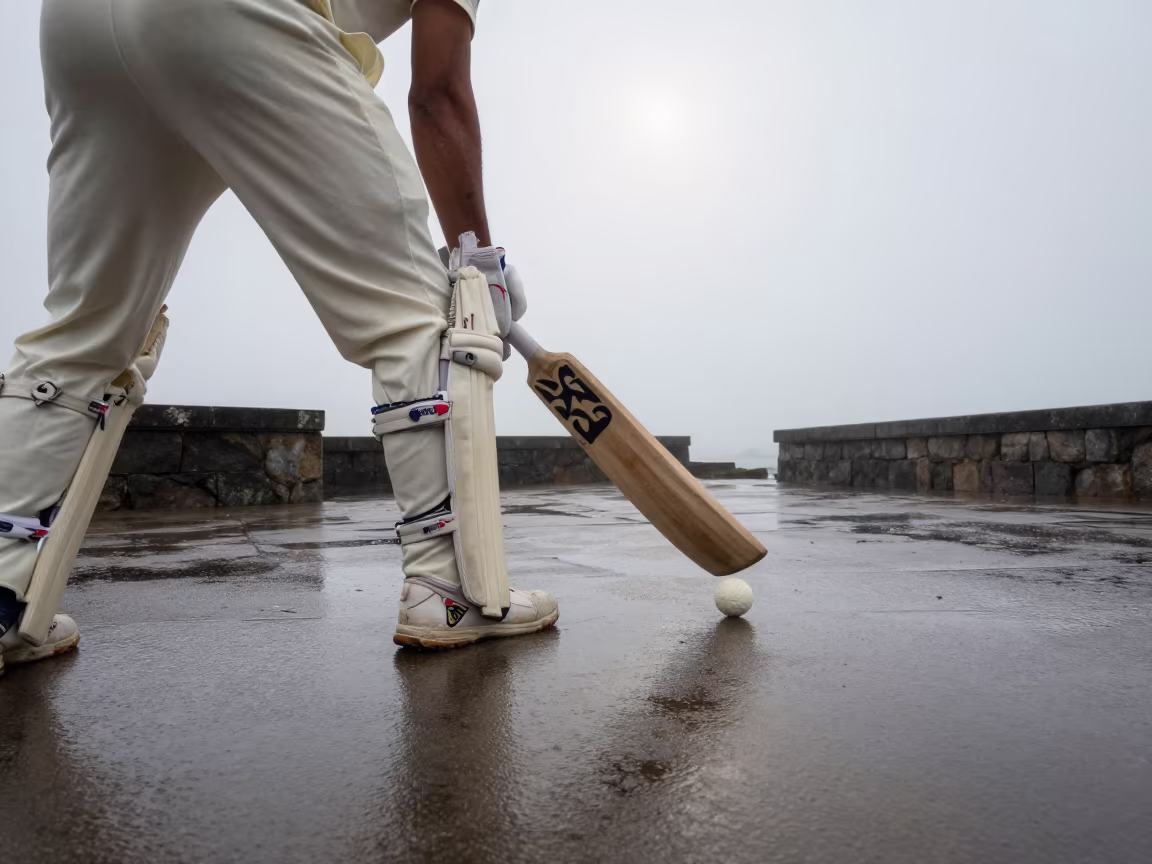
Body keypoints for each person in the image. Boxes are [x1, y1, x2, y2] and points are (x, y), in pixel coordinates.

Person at [0, 0, 558, 674]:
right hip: (221, 17)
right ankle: (453, 589)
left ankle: (3, 587)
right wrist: (477, 256)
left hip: (76, 23)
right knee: (419, 309)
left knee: (82, 332)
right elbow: (438, 93)